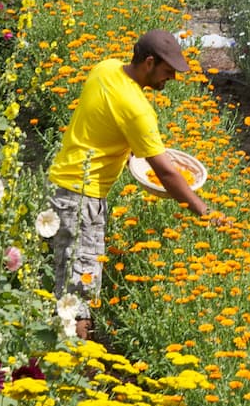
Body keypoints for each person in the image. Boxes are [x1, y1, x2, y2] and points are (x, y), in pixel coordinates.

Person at [47, 29, 216, 341]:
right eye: (168, 71)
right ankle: (74, 371)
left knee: (66, 283)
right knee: (80, 292)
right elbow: (166, 173)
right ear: (149, 63)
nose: (172, 80)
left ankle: (60, 359)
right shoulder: (137, 108)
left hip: (63, 187)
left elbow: (102, 124)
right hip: (83, 199)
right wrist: (204, 212)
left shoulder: (106, 68)